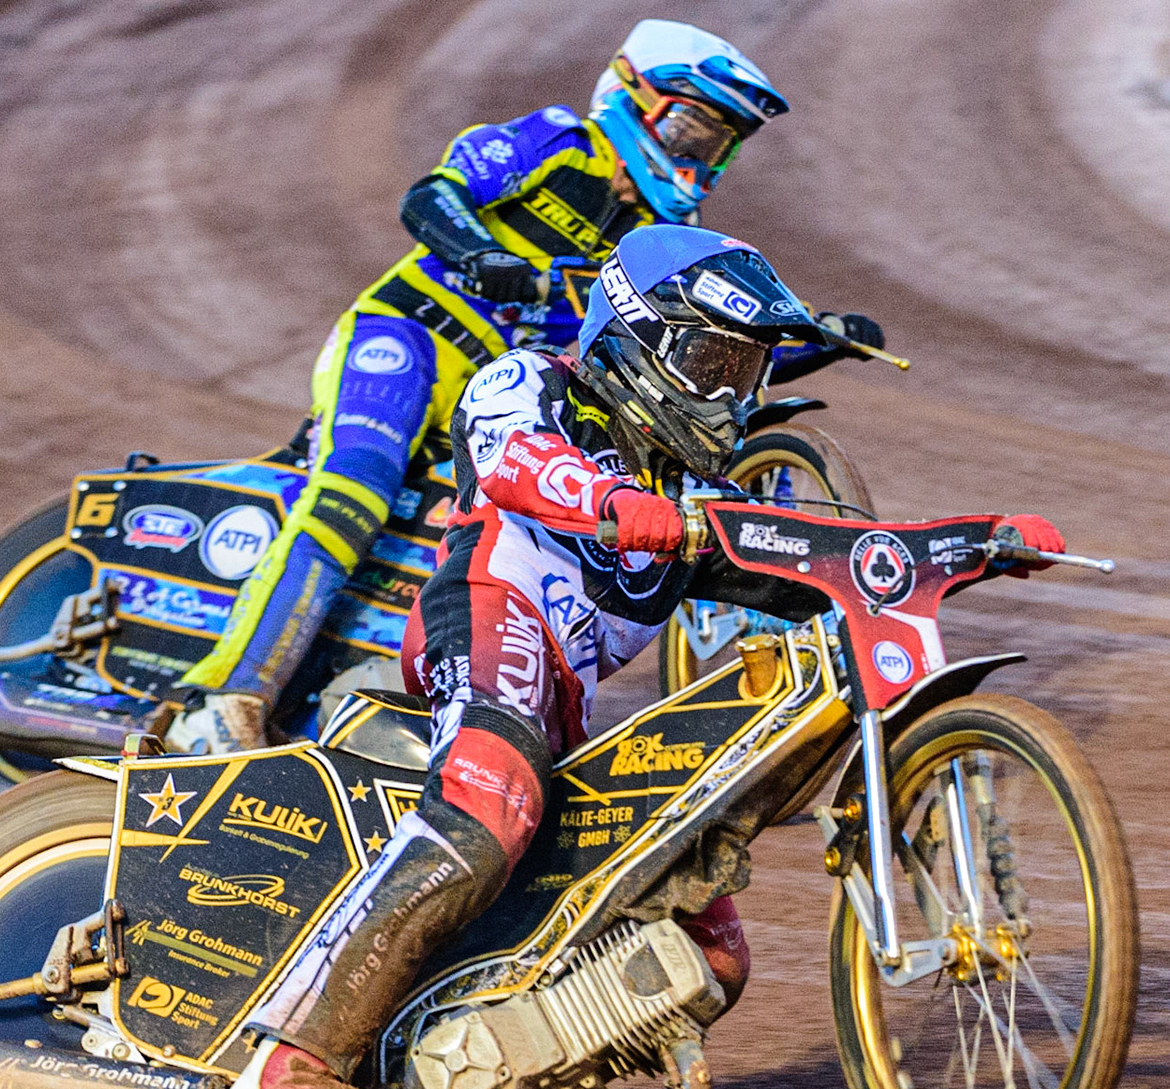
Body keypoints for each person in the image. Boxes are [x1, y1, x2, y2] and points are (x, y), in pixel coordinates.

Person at [226, 225, 1067, 1089]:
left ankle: (480, 1076)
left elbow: (829, 563)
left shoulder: (697, 490)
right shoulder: (531, 383)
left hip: (564, 702)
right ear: (636, 342)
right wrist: (612, 503)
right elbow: (514, 463)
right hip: (485, 620)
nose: (732, 395)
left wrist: (967, 546)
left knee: (710, 947)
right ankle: (296, 1066)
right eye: (711, 361)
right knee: (493, 798)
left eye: (745, 371)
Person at [170, 18, 885, 753]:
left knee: (479, 544)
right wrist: (479, 256)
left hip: (499, 391)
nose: (704, 156)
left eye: (720, 142)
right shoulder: (556, 141)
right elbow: (430, 197)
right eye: (693, 128)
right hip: (410, 337)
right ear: (634, 93)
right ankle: (223, 698)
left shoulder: (660, 236)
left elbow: (684, 356)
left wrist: (815, 341)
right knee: (355, 490)